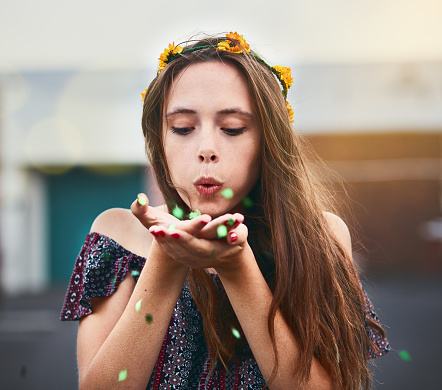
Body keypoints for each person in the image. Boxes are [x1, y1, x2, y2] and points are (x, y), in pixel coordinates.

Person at [60, 32, 389, 390]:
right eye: (183, 128)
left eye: (232, 128)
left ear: (269, 141)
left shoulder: (320, 237)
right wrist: (166, 261)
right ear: (160, 141)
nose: (206, 149)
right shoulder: (118, 234)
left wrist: (237, 266)